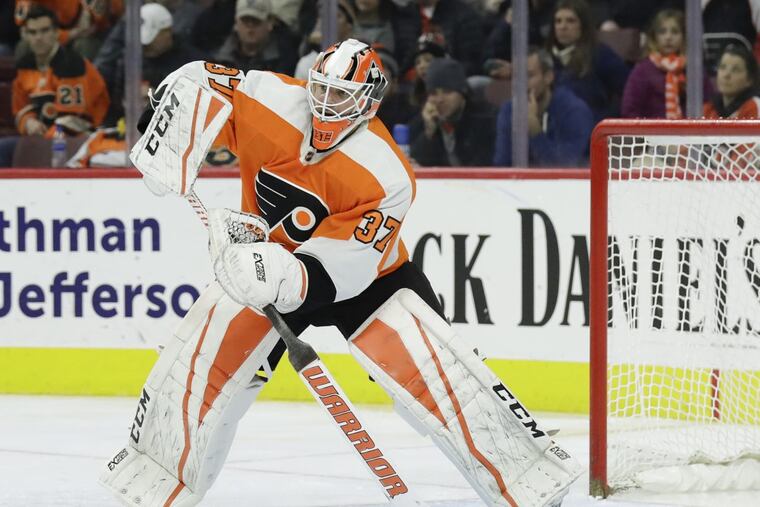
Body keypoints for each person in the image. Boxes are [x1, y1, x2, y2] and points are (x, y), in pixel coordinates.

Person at [100, 38, 581, 507]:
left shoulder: (388, 174)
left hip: (371, 281)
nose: (326, 105)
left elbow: (348, 264)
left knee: (443, 380)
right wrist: (172, 116)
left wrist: (286, 276)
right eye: (321, 90)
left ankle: (528, 478)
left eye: (341, 96)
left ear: (368, 103)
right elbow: (208, 82)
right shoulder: (270, 98)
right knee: (204, 366)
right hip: (261, 264)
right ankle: (156, 480)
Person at [0, 4, 110, 167]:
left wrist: (42, 137)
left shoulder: (73, 66)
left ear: (56, 33)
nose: (38, 37)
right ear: (25, 35)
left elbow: (74, 121)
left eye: (44, 31)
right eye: (33, 32)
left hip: (80, 139)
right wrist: (28, 123)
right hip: (42, 139)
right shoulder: (25, 66)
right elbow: (20, 108)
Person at [493, 46, 593, 167]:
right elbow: (502, 165)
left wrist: (535, 131)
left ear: (548, 77)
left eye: (529, 76)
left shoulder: (574, 111)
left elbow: (564, 167)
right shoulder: (509, 110)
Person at [546, 0, 629, 122]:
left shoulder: (600, 54)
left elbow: (629, 92)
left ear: (583, 25)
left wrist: (604, 121)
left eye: (570, 21)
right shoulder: (546, 57)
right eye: (558, 21)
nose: (562, 27)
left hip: (592, 130)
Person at [621, 9, 711, 119]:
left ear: (684, 37)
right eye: (662, 32)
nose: (668, 37)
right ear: (654, 37)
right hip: (651, 134)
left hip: (690, 133)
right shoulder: (642, 70)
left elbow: (709, 106)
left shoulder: (694, 69)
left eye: (675, 32)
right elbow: (629, 110)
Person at [408, 57, 495, 166]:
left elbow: (480, 168)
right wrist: (429, 133)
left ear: (462, 92)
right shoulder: (422, 123)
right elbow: (417, 167)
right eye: (433, 93)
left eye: (447, 91)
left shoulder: (485, 120)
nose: (440, 99)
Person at [214, 0, 298, 74]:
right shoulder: (219, 60)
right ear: (236, 23)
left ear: (269, 23)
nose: (250, 27)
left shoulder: (287, 60)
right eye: (245, 20)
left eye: (256, 21)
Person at [703, 44, 760, 119]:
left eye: (735, 70)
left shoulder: (755, 106)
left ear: (749, 79)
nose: (726, 75)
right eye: (723, 67)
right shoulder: (708, 108)